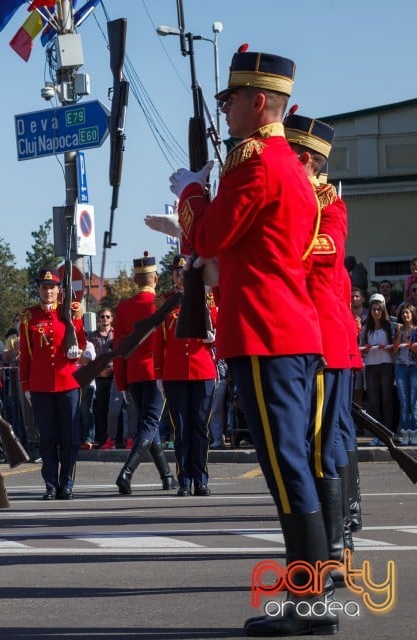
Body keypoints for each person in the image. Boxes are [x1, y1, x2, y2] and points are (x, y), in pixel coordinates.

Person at [171, 47, 334, 635]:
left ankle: (310, 603)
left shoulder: (257, 162)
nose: (227, 109)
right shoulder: (283, 162)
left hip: (266, 334)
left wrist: (192, 193)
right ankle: (311, 597)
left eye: (233, 98)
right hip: (280, 329)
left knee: (286, 466)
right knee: (288, 464)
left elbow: (209, 235)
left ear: (258, 102)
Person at [284, 109, 354, 579]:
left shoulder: (329, 204)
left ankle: (329, 552)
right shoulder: (300, 200)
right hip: (309, 340)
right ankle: (329, 548)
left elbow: (322, 249)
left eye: (291, 156)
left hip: (325, 343)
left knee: (317, 450)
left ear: (308, 160)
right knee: (314, 447)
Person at [19, 269, 88, 500]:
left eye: (52, 287)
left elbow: (81, 340)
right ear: (38, 290)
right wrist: (26, 385)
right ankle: (50, 484)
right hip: (40, 386)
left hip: (68, 382)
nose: (48, 291)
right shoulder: (29, 316)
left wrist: (76, 352)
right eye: (44, 287)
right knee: (47, 438)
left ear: (60, 290)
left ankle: (67, 483)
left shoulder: (71, 312)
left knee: (70, 437)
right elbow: (26, 354)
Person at [153, 255, 218, 496]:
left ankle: (201, 479)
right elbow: (158, 341)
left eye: (184, 271)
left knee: (200, 428)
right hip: (175, 373)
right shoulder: (164, 301)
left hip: (202, 371)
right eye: (176, 272)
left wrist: (213, 339)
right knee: (180, 429)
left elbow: (221, 328)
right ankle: (184, 480)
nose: (180, 275)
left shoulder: (208, 297)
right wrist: (158, 374)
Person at [113, 254, 176, 496]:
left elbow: (119, 350)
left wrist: (121, 382)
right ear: (156, 278)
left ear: (135, 280)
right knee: (150, 425)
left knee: (147, 426)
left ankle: (167, 476)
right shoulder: (162, 304)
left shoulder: (123, 308)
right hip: (155, 372)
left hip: (133, 374)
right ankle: (126, 472)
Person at [360, 293, 395, 444]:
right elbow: (361, 348)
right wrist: (367, 349)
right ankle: (377, 435)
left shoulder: (390, 327)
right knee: (373, 401)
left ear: (382, 311)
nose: (376, 312)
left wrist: (386, 348)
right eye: (373, 309)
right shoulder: (366, 329)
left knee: (386, 399)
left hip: (386, 365)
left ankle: (387, 433)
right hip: (371, 367)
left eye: (378, 309)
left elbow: (394, 349)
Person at [89, 307, 115, 450]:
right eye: (102, 317)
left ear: (111, 318)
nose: (105, 319)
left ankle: (114, 438)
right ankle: (100, 438)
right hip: (98, 377)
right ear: (98, 318)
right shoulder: (92, 336)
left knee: (114, 410)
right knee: (99, 409)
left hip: (114, 376)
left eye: (107, 316)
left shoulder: (116, 334)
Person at [393, 304, 417, 445]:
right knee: (403, 402)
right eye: (402, 313)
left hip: (414, 367)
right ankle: (406, 432)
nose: (404, 315)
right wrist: (399, 334)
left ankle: (415, 432)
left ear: (412, 314)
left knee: (414, 402)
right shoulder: (399, 330)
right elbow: (394, 351)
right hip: (401, 367)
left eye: (407, 313)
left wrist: (408, 342)